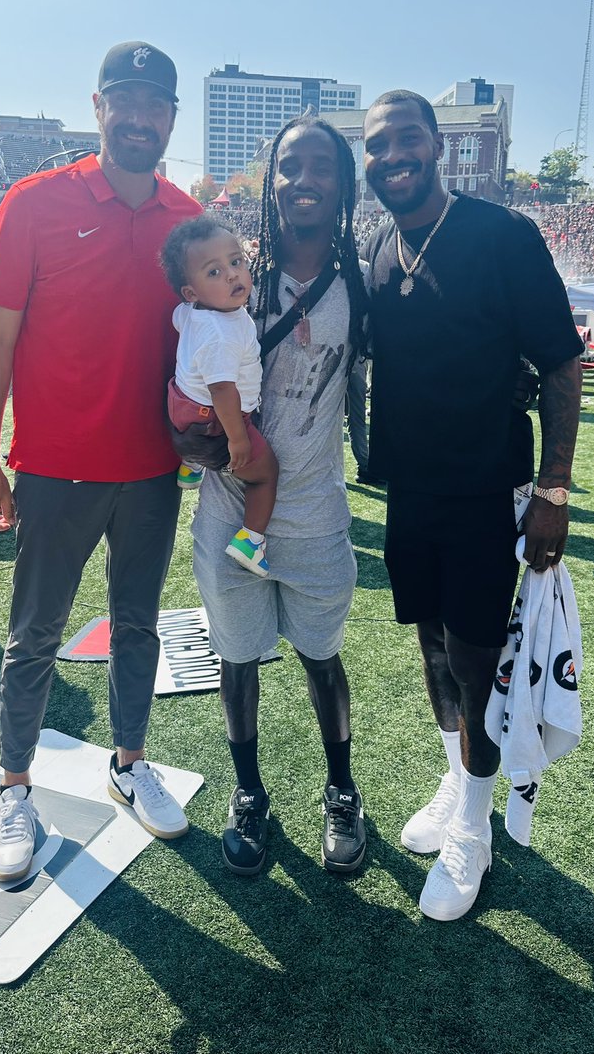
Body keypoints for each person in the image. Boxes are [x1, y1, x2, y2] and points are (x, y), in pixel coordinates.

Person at [0, 41, 202, 882]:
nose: (140, 117)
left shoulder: (188, 218)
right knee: (33, 637)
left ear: (172, 117)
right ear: (99, 105)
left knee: (137, 628)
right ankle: (16, 788)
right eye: (125, 100)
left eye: (156, 104)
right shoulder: (34, 202)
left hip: (150, 472)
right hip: (54, 469)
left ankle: (130, 763)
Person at [361, 89, 583, 921]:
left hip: (488, 491)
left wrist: (554, 490)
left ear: (437, 145)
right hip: (411, 491)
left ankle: (476, 832)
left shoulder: (502, 235)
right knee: (431, 649)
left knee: (479, 663)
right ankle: (459, 786)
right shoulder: (380, 248)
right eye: (378, 148)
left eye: (406, 140)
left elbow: (561, 364)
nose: (392, 158)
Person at [177, 115, 371, 877]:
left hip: (315, 513)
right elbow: (183, 370)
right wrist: (187, 432)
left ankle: (343, 790)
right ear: (271, 180)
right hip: (230, 506)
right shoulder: (235, 278)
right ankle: (250, 793)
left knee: (323, 659)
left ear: (343, 183)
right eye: (289, 166)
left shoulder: (363, 280)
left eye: (321, 166)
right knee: (239, 656)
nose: (303, 180)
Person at [159, 215, 279, 576]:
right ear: (191, 292)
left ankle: (190, 467)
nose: (232, 275)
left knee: (193, 396)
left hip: (181, 417)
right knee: (266, 473)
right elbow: (223, 390)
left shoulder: (191, 312)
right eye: (214, 272)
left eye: (237, 261)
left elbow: (179, 321)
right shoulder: (223, 334)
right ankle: (251, 539)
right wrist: (238, 439)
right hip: (216, 428)